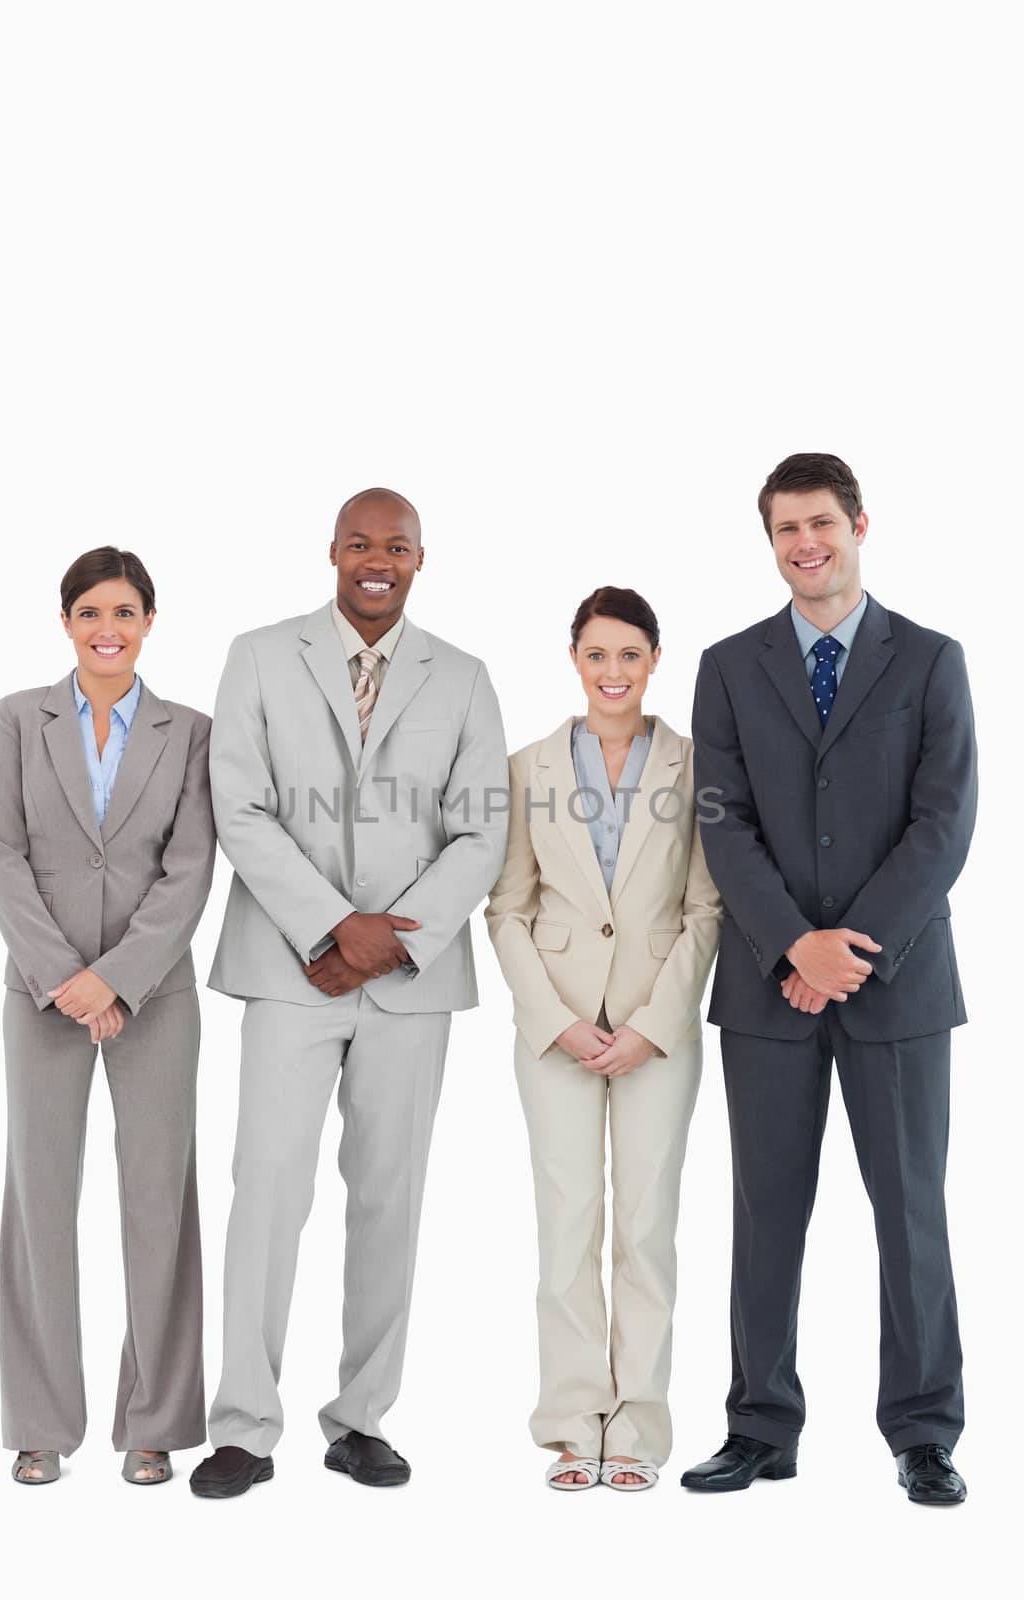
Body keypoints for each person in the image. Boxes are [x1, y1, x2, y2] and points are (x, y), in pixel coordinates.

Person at [191, 487, 508, 1499]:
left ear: (421, 559)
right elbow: (236, 803)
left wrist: (380, 941)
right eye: (361, 543)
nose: (378, 560)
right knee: (269, 1187)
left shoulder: (460, 678)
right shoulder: (256, 654)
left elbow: (482, 832)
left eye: (397, 547)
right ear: (333, 550)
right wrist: (331, 924)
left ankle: (360, 1417)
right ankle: (242, 1424)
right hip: (287, 967)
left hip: (408, 982)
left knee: (387, 1197)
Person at [684, 453, 976, 1506]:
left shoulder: (930, 660)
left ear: (858, 523)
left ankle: (922, 1432)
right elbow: (722, 821)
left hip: (896, 984)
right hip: (766, 988)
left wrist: (843, 947)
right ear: (768, 543)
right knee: (765, 1209)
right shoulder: (726, 665)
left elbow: (941, 826)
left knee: (909, 1210)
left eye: (820, 523)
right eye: (783, 530)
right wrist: (787, 944)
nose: (803, 544)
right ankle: (759, 1423)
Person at [0, 547, 216, 1487]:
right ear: (66, 623)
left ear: (150, 621)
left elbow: (191, 865)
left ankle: (153, 1422)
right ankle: (40, 1424)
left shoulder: (188, 731)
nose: (106, 628)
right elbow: (0, 854)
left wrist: (117, 979)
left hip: (155, 996)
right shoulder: (17, 720)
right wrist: (63, 978)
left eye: (124, 611)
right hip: (40, 997)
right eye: (89, 612)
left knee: (159, 1202)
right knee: (39, 1200)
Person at [485, 587, 722, 1492]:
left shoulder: (699, 766)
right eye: (596, 655)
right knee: (567, 1222)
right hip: (557, 1032)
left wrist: (655, 1025)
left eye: (629, 655)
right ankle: (572, 1422)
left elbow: (705, 906)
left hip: (656, 1032)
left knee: (646, 1226)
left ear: (654, 659)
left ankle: (640, 1429)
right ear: (573, 659)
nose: (612, 672)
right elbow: (506, 908)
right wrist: (555, 1020)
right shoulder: (528, 767)